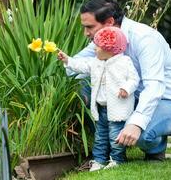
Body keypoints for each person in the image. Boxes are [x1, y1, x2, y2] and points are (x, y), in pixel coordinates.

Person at [66, 0, 171, 164]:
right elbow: (72, 71)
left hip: (170, 102)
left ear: (109, 22)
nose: (86, 33)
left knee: (142, 132)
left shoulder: (145, 38)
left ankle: (155, 147)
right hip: (130, 97)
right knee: (82, 87)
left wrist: (136, 123)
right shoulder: (103, 39)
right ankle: (105, 149)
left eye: (89, 27)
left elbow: (154, 87)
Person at [58, 26, 139, 171]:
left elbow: (134, 79)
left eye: (98, 47)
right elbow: (81, 65)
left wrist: (126, 88)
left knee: (115, 136)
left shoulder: (124, 62)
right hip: (101, 108)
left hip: (117, 108)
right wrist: (67, 60)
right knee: (100, 137)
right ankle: (99, 160)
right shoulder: (96, 62)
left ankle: (117, 159)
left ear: (110, 49)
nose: (94, 49)